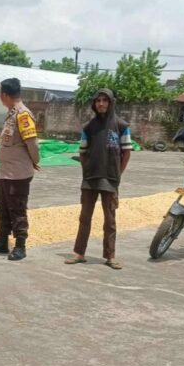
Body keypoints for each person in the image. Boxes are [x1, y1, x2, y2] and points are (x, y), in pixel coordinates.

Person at [65, 89, 132, 269]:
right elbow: (82, 151)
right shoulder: (89, 127)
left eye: (105, 100)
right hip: (90, 179)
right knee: (84, 218)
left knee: (110, 220)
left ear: (111, 103)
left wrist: (118, 174)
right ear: (94, 104)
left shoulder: (121, 125)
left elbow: (126, 153)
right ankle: (79, 253)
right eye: (98, 100)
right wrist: (87, 170)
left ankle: (110, 256)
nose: (101, 103)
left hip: (110, 180)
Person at [0, 78, 41, 261]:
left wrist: (34, 161)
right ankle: (2, 241)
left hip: (18, 174)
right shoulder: (11, 114)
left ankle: (20, 246)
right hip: (6, 173)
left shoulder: (22, 115)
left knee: (17, 209)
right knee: (3, 207)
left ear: (5, 95)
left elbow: (32, 143)